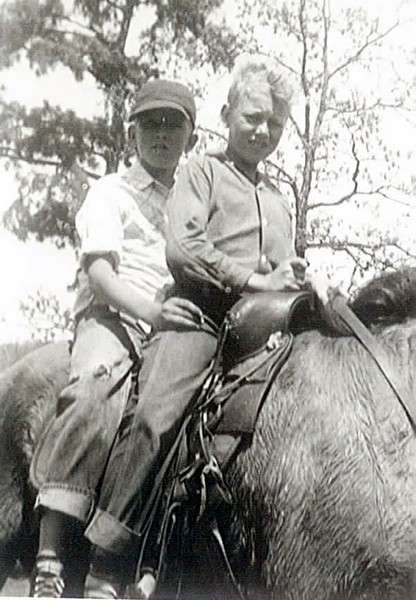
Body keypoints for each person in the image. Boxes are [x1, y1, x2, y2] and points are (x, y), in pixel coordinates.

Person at [83, 54, 309, 599]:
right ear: (227, 115)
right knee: (155, 415)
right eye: (252, 117)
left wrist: (296, 278)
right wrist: (251, 280)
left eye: (275, 123)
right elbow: (183, 247)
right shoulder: (201, 172)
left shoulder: (279, 203)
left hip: (264, 334)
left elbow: (281, 271)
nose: (263, 131)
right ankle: (106, 561)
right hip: (200, 318)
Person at [29, 79, 202, 598]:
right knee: (95, 392)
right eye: (151, 125)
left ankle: (141, 562)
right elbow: (100, 275)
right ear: (131, 135)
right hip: (114, 318)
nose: (162, 135)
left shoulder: (193, 204)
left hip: (171, 330)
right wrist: (152, 312)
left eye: (174, 126)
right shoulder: (111, 192)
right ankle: (49, 556)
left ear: (192, 138)